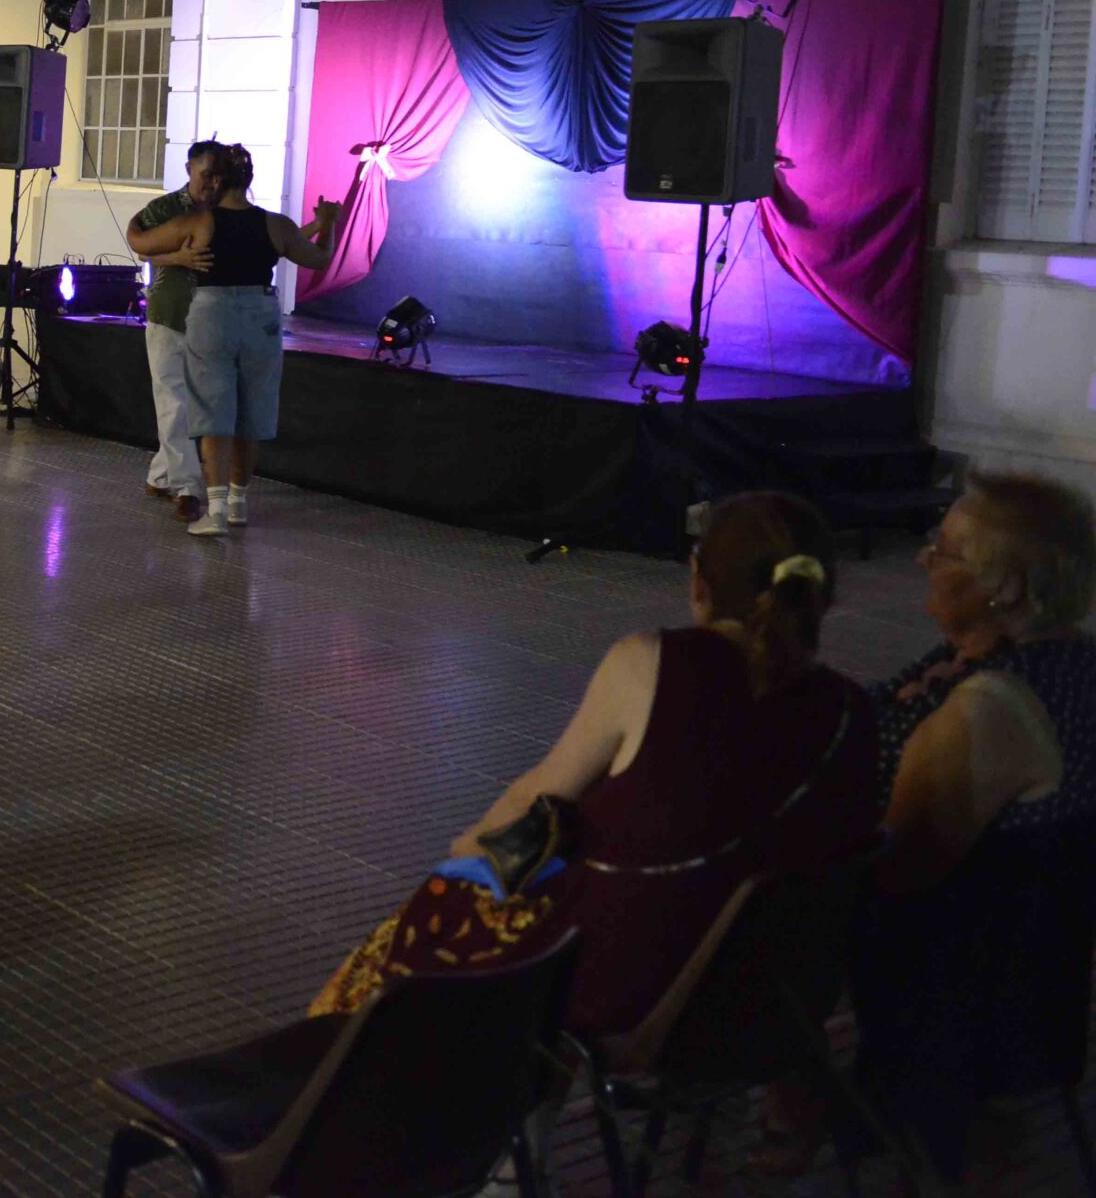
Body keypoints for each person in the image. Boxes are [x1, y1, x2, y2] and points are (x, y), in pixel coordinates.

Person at [310, 491, 880, 1041]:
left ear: (698, 581)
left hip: (628, 992)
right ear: (821, 597)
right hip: (776, 1001)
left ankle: (330, 1076)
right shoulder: (853, 710)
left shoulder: (653, 665)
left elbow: (538, 798)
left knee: (440, 907)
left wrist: (466, 850)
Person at [829, 474, 1096, 1181]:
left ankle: (795, 1096)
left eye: (943, 550)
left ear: (1005, 587)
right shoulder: (1048, 656)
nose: (923, 559)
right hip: (1040, 983)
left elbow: (894, 871)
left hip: (961, 999)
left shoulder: (992, 703)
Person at [133, 146, 337, 537]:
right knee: (251, 411)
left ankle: (215, 512)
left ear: (218, 181)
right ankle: (239, 503)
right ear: (249, 180)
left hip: (212, 314)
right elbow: (319, 258)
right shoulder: (274, 224)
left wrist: (163, 246)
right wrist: (327, 223)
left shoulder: (201, 222)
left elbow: (141, 242)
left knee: (214, 412)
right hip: (261, 316)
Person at [123, 142, 224, 525]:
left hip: (212, 319)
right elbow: (141, 248)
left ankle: (161, 475)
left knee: (191, 403)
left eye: (218, 177)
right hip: (169, 313)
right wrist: (177, 258)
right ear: (189, 170)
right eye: (205, 175)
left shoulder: (225, 211)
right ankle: (186, 488)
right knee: (172, 400)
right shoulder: (165, 208)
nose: (212, 184)